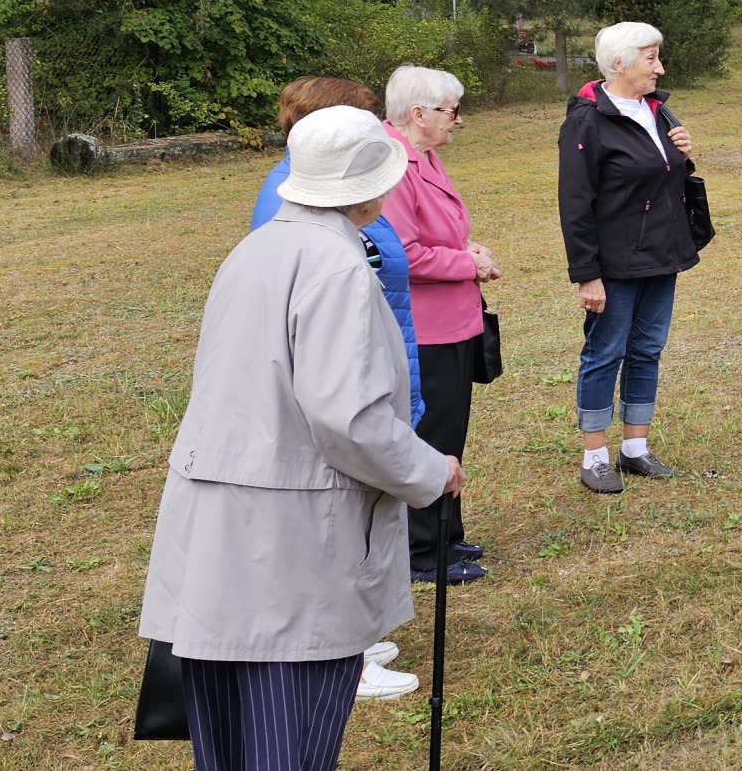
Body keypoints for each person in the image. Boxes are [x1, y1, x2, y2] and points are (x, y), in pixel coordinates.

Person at [140, 105, 468, 770]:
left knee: (231, 745)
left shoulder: (258, 246)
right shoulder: (337, 266)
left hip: (223, 538)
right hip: (286, 545)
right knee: (284, 744)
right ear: (373, 187)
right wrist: (431, 472)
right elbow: (349, 418)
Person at [250, 76, 427, 700]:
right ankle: (340, 659)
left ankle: (356, 634)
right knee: (337, 519)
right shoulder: (291, 202)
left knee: (360, 518)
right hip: (347, 376)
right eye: (367, 123)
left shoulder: (333, 200)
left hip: (380, 352)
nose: (381, 134)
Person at [560, 21, 701, 494]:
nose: (660, 68)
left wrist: (683, 155)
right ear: (620, 63)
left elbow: (662, 180)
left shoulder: (659, 112)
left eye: (658, 57)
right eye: (651, 59)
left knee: (647, 350)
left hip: (661, 255)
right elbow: (575, 203)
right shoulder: (587, 120)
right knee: (605, 353)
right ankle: (595, 456)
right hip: (615, 263)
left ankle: (635, 449)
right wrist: (587, 274)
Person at [382, 65, 501, 584]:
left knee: (451, 430)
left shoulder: (424, 155)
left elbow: (441, 233)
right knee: (430, 435)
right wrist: (465, 263)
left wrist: (466, 250)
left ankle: (447, 533)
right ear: (418, 114)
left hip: (454, 320)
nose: (457, 121)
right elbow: (400, 254)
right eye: (451, 112)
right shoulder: (395, 165)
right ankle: (422, 551)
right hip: (423, 327)